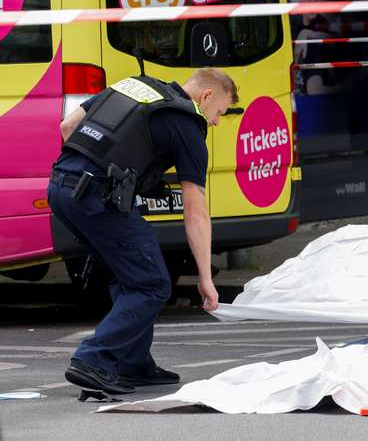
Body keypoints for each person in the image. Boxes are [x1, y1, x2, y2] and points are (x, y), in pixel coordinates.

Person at [48, 68, 238, 395]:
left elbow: (68, 126)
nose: (216, 121)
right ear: (207, 96)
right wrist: (206, 278)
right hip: (96, 196)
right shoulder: (187, 125)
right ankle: (94, 359)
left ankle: (133, 364)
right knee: (151, 283)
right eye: (220, 112)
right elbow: (195, 210)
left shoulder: (137, 85)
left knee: (129, 273)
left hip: (60, 187)